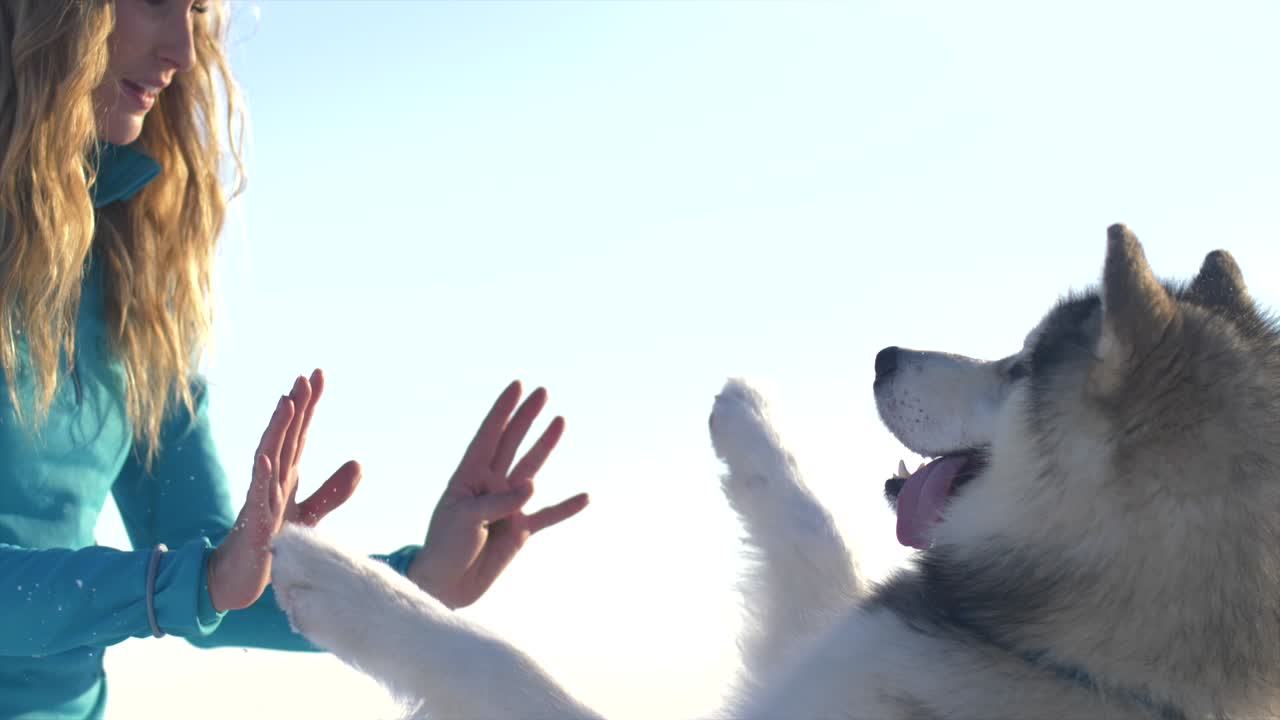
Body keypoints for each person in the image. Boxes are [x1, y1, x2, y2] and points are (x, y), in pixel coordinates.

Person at [0, 1, 591, 718]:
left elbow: (217, 572)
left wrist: (415, 584)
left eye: (197, 9)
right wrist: (185, 583)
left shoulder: (126, 278)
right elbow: (190, 581)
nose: (183, 50)